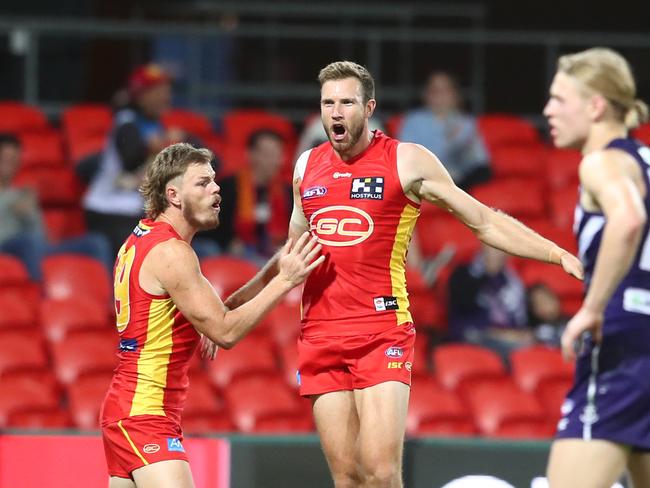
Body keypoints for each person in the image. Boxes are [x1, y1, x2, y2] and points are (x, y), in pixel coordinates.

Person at [218, 61, 582, 488]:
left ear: (368, 107)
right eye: (327, 103)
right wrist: (238, 300)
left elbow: (483, 220)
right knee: (347, 476)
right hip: (320, 332)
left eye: (347, 103)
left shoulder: (407, 160)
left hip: (380, 331)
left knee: (381, 471)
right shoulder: (305, 167)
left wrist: (556, 254)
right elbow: (292, 252)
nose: (335, 112)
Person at [100, 142, 323, 488]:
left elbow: (219, 310)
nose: (216, 188)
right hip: (146, 413)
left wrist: (277, 264)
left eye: (215, 181)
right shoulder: (172, 253)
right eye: (202, 183)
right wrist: (285, 282)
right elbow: (226, 331)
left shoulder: (143, 240)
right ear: (173, 195)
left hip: (130, 408)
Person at [543, 48, 650, 488]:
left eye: (558, 99)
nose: (548, 110)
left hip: (621, 346)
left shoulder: (601, 162)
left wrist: (592, 307)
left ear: (595, 105)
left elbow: (628, 219)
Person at [83, 63, 205, 258]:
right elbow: (130, 159)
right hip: (109, 209)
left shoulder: (157, 124)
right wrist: (155, 145)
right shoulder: (126, 122)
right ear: (140, 95)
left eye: (166, 90)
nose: (166, 97)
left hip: (136, 210)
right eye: (157, 91)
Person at [0, 133, 112, 279]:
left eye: (13, 160)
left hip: (36, 246)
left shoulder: (23, 194)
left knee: (97, 242)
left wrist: (29, 214)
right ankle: (40, 296)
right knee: (29, 242)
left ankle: (112, 298)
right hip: (8, 246)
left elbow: (40, 236)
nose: (9, 165)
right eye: (4, 159)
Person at [398, 71, 490, 190]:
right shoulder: (413, 121)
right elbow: (405, 158)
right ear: (426, 94)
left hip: (461, 177)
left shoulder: (465, 122)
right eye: (435, 90)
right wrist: (450, 142)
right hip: (425, 175)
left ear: (455, 95)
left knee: (482, 172)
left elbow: (480, 160)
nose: (440, 95)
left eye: (445, 90)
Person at [448, 243, 533, 361]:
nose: (495, 255)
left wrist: (519, 334)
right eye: (491, 249)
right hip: (474, 336)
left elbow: (520, 320)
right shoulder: (464, 274)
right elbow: (463, 305)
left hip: (509, 338)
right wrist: (486, 273)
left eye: (499, 250)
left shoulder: (512, 282)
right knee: (517, 354)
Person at [526, 282, 568, 348]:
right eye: (540, 303)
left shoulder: (573, 322)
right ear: (534, 311)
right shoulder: (536, 333)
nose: (546, 305)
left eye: (548, 299)